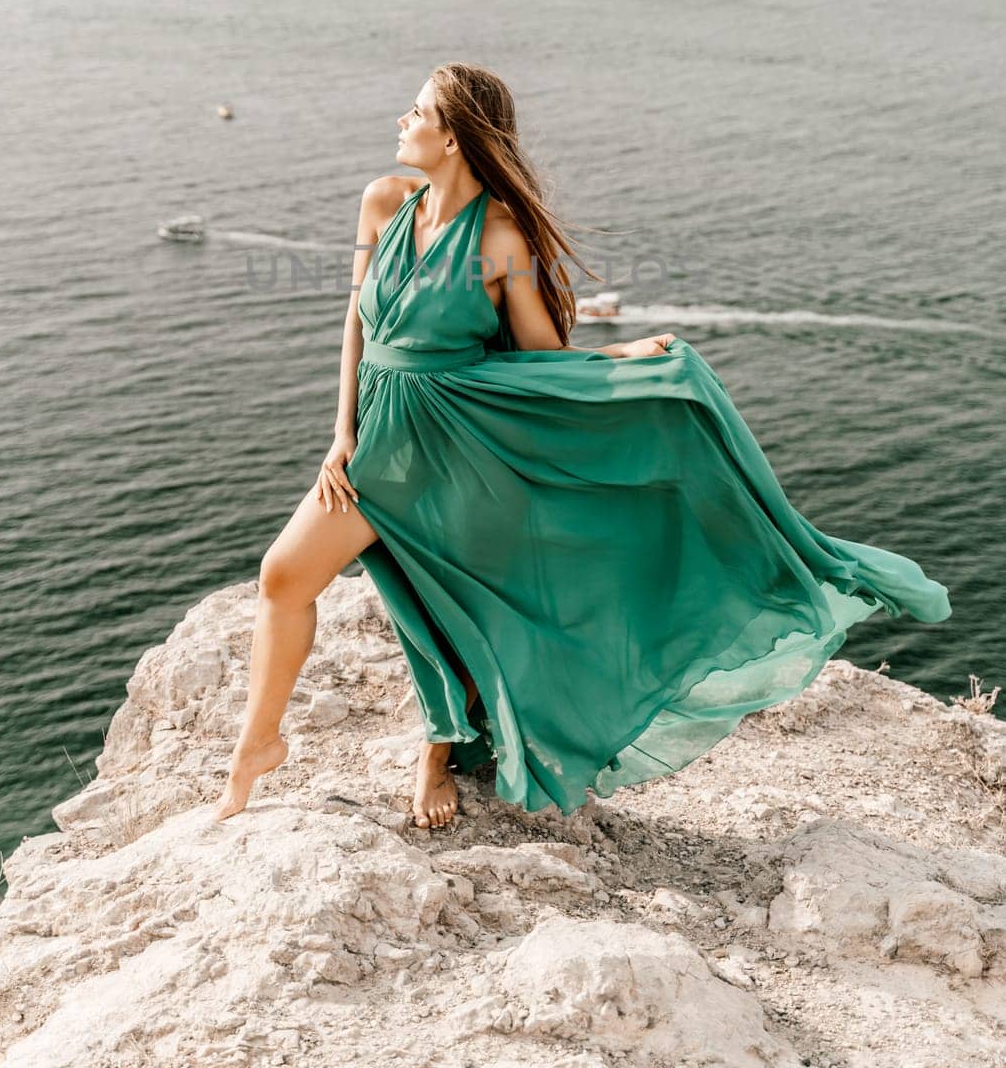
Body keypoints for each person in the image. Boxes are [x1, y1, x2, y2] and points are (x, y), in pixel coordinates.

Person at [213, 62, 951, 829]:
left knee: (465, 606)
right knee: (282, 576)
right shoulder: (383, 201)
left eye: (417, 111)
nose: (401, 121)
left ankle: (436, 754)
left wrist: (626, 356)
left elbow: (539, 353)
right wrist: (341, 434)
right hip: (380, 437)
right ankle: (258, 746)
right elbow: (357, 320)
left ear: (457, 135)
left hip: (461, 443)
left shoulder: (498, 236)